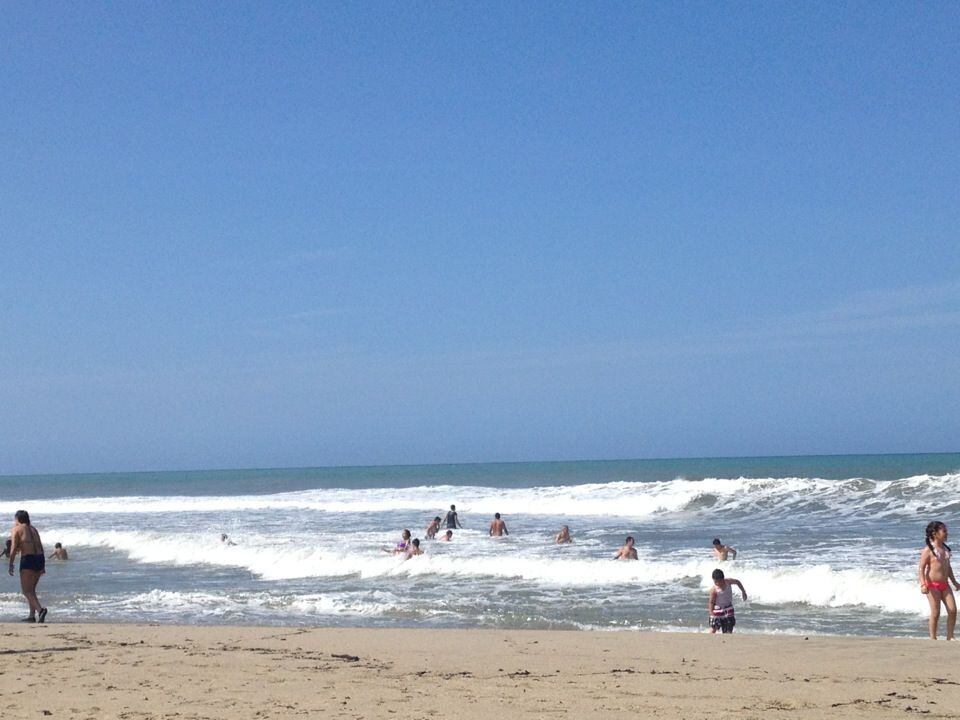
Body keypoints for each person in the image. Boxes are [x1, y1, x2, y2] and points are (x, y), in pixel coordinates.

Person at [919, 520, 959, 640]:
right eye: (944, 531)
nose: (946, 533)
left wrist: (955, 582)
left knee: (952, 610)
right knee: (935, 613)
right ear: (934, 533)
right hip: (932, 585)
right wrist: (923, 584)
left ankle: (950, 636)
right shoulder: (929, 550)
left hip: (945, 585)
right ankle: (933, 638)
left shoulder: (946, 550)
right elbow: (921, 568)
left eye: (946, 531)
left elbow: (948, 568)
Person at [9, 510, 47, 623]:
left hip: (28, 559)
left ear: (18, 519)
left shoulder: (17, 529)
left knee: (26, 591)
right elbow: (40, 546)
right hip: (40, 558)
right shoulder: (34, 529)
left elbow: (14, 548)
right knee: (31, 590)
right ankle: (31, 615)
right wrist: (43, 566)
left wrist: (10, 564)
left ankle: (40, 610)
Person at [708, 568, 747, 634]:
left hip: (728, 608)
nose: (716, 583)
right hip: (718, 610)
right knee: (714, 627)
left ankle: (727, 641)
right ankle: (708, 639)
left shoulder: (728, 582)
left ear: (722, 579)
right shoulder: (714, 590)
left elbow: (737, 582)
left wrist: (743, 591)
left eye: (717, 582)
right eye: (715, 582)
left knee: (728, 629)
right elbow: (711, 602)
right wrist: (711, 613)